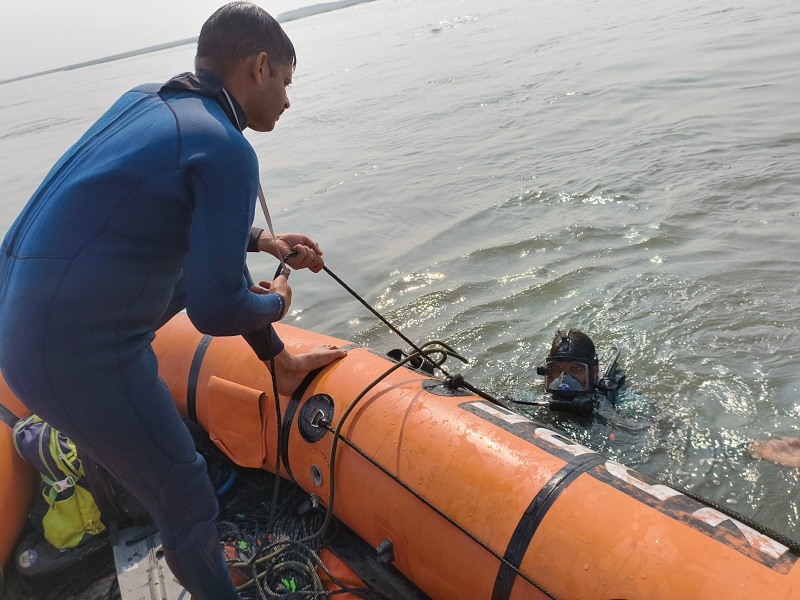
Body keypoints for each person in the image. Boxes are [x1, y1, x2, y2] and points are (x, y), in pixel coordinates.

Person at [0, 3, 346, 599]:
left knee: (204, 268)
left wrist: (263, 239)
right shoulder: (230, 150)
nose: (287, 101)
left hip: (21, 321)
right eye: (286, 82)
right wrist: (276, 305)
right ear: (261, 67)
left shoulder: (150, 99)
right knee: (184, 489)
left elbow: (167, 213)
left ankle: (280, 363)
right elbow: (216, 309)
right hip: (75, 353)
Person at [535, 328, 625, 416]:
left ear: (594, 372)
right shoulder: (543, 392)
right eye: (557, 369)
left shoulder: (612, 395)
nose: (564, 379)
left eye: (576, 370)